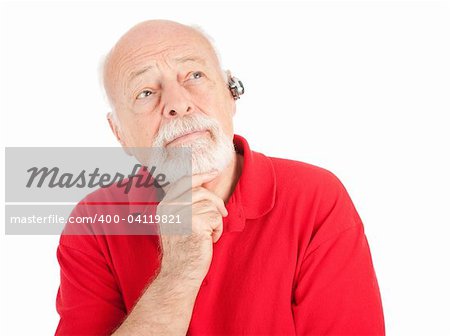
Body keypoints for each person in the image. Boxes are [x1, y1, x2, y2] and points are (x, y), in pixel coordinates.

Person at [55, 19, 385, 335]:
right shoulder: (93, 223)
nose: (178, 104)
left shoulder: (316, 199)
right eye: (145, 92)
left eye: (194, 75)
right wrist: (179, 271)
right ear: (120, 133)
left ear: (231, 94)